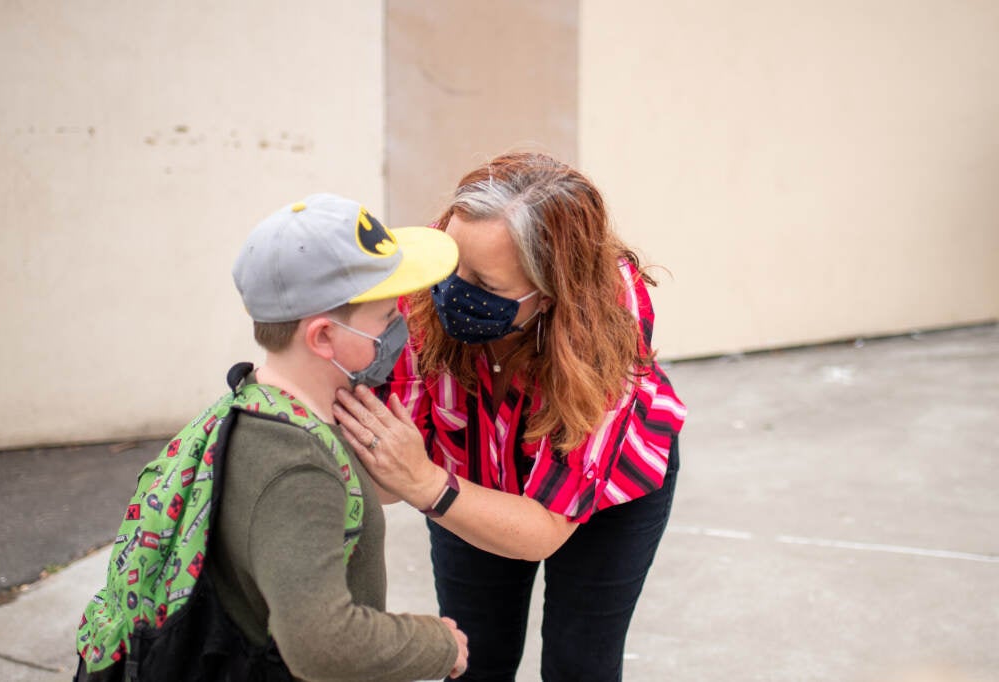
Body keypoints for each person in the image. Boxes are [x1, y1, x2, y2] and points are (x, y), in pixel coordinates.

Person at [75, 194, 468, 681]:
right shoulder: (296, 466)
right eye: (387, 318)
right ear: (323, 337)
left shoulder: (255, 404)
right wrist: (437, 643)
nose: (400, 330)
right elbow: (321, 644)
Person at [332, 152, 686, 681]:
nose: (452, 290)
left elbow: (541, 530)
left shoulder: (606, 318)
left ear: (550, 289)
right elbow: (386, 477)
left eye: (487, 286)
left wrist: (424, 481)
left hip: (602, 486)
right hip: (465, 471)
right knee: (473, 659)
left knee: (580, 665)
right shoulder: (427, 274)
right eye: (453, 267)